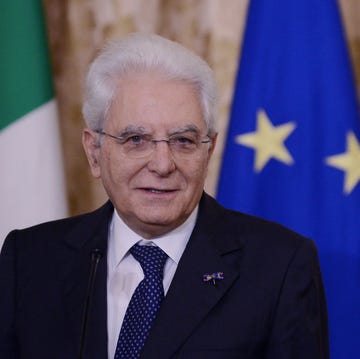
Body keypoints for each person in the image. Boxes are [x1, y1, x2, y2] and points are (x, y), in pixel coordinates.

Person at [0, 33, 328, 359]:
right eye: (136, 139)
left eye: (183, 140)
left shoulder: (280, 266)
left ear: (209, 150)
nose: (162, 165)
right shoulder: (29, 260)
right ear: (95, 152)